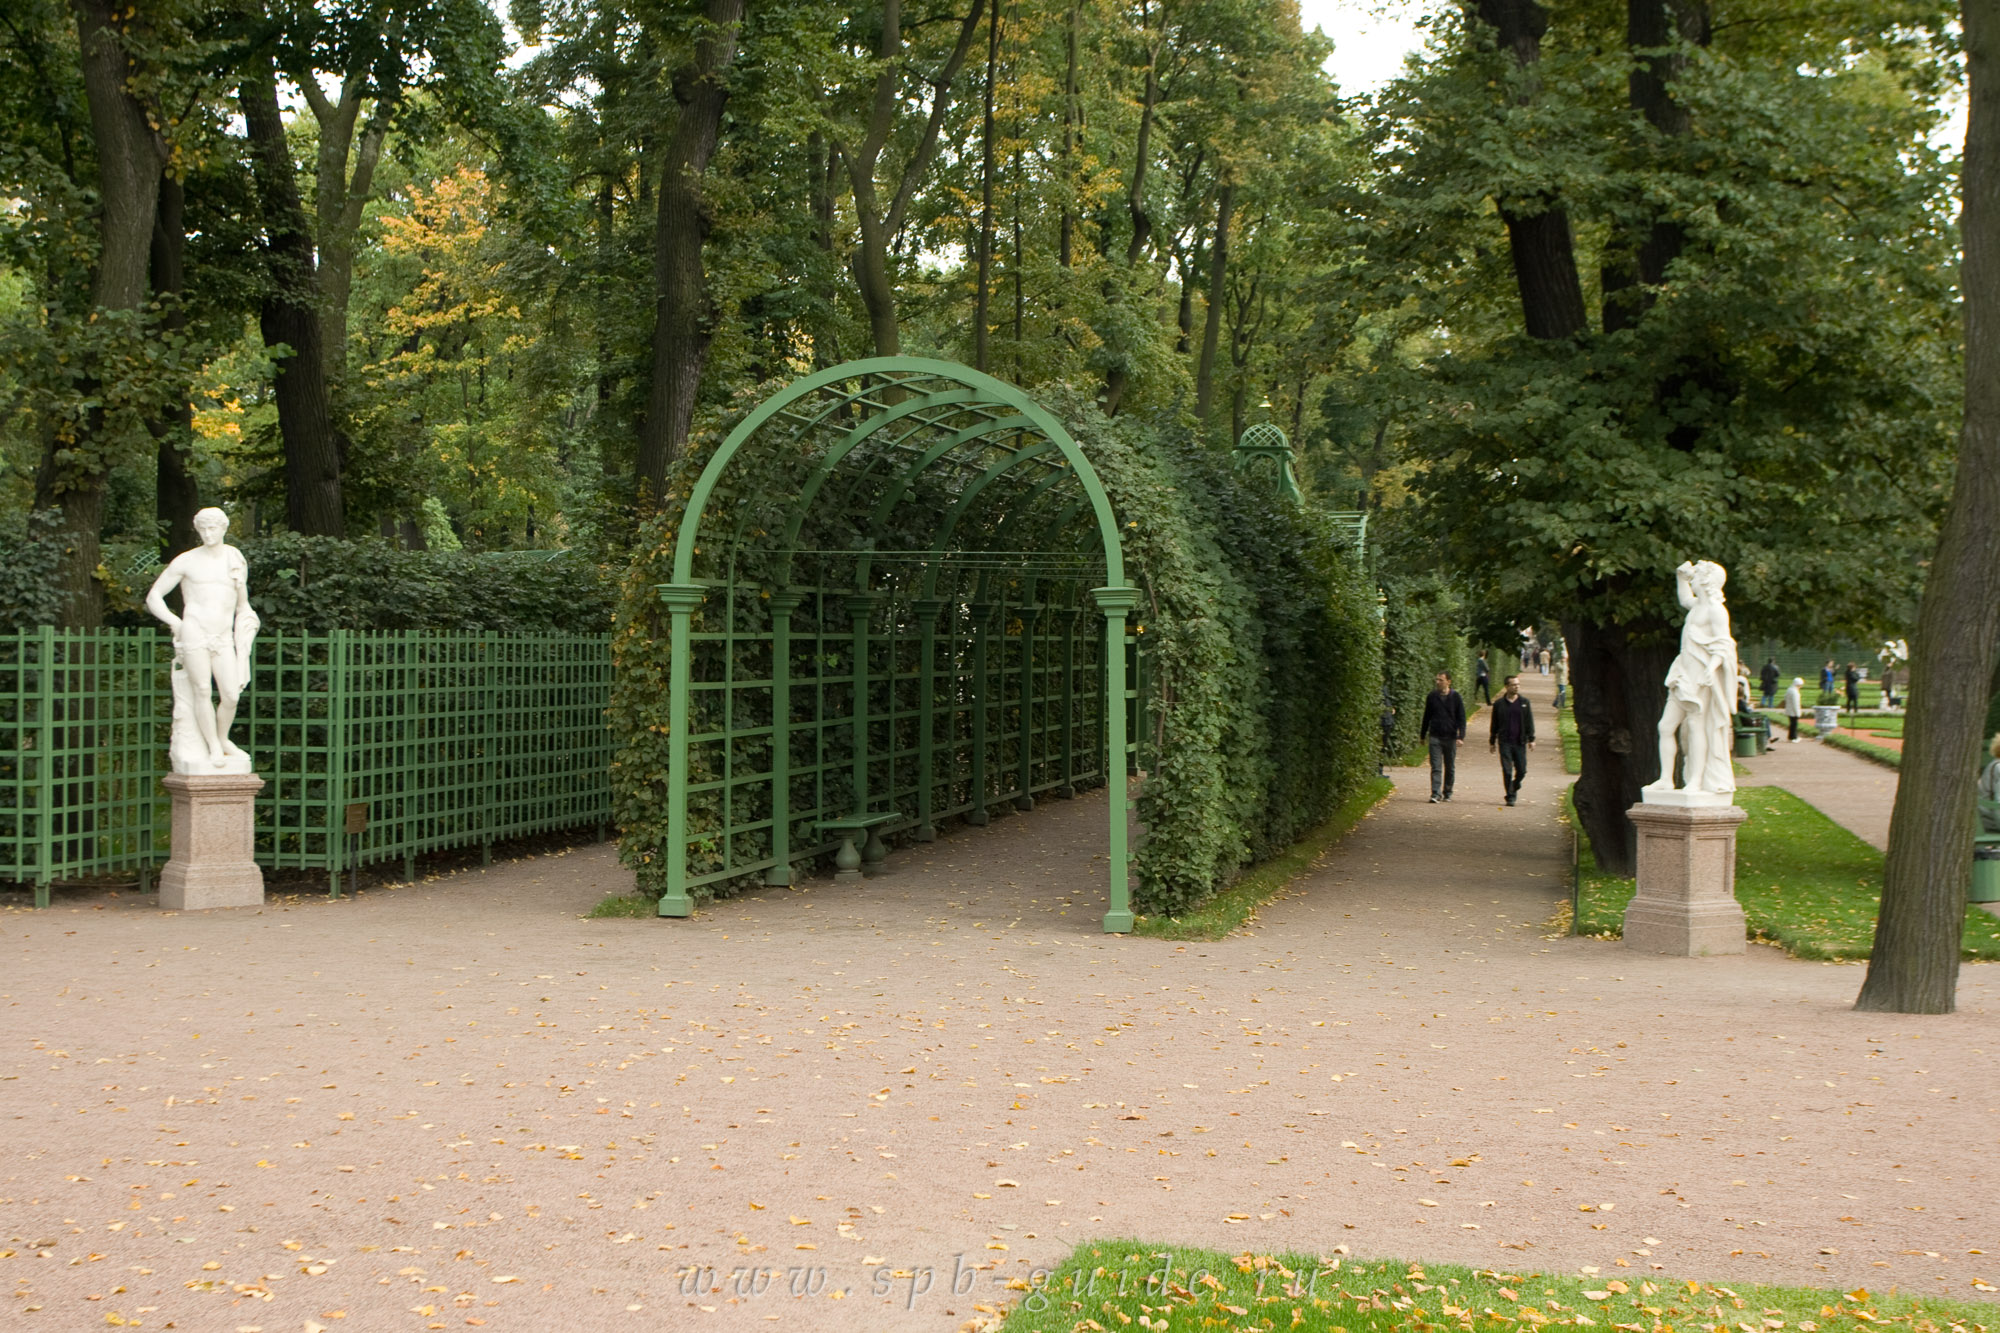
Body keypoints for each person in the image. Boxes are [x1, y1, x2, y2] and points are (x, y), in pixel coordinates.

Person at [145, 506, 259, 771]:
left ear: (224, 528)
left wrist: (247, 625)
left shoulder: (234, 558)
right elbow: (154, 597)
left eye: (213, 528)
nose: (208, 533)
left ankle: (222, 738)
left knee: (231, 694)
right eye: (203, 529)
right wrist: (176, 623)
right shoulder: (187, 561)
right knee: (203, 690)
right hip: (195, 631)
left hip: (223, 636)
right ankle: (213, 746)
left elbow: (242, 605)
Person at [1643, 560, 1737, 799]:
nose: (1692, 579)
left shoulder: (1716, 610)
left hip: (1699, 675)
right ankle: (1666, 779)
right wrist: (1680, 577)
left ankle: (1695, 780)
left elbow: (1724, 644)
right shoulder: (1696, 606)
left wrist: (1712, 668)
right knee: (1665, 726)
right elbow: (1684, 598)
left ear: (1705, 581)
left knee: (1696, 725)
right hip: (1682, 673)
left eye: (1696, 576)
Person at [1488, 674, 1536, 806]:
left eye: (1518, 684)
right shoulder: (1499, 704)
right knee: (1507, 770)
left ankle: (1514, 786)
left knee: (1522, 770)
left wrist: (1531, 739)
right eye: (1514, 685)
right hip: (1505, 742)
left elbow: (1529, 721)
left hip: (1519, 742)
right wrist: (1492, 741)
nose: (1517, 687)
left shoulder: (1524, 703)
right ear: (1507, 687)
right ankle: (1510, 796)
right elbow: (1494, 723)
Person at [1419, 670, 1466, 804]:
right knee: (1436, 766)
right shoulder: (1432, 696)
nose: (1437, 682)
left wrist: (1460, 736)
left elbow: (1461, 718)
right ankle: (1435, 793)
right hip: (1435, 735)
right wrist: (1422, 735)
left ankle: (1448, 792)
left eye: (1441, 680)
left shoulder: (1456, 697)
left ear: (1448, 682)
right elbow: (1426, 716)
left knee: (1450, 766)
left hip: (1450, 736)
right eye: (1437, 679)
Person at [1980, 734, 2000, 833]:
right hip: (1994, 820)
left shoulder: (1994, 764)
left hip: (1988, 818)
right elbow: (1998, 802)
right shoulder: (1998, 767)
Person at [1783, 676, 1803, 743]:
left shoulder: (1789, 689)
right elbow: (1796, 703)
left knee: (1792, 724)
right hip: (1794, 711)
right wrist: (1798, 712)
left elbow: (1785, 698)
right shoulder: (1795, 692)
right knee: (1794, 724)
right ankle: (1794, 737)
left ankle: (1790, 736)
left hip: (1789, 709)